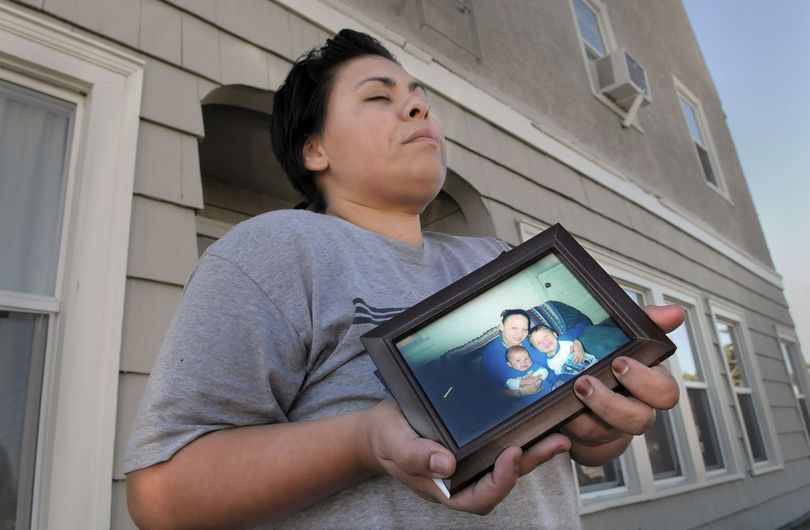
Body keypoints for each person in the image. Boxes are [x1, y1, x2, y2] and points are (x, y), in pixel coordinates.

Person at [125, 29, 683, 529]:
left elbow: (580, 444)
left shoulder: (497, 259)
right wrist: (366, 441)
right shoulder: (278, 247)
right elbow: (161, 496)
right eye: (379, 97)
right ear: (314, 148)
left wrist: (604, 425)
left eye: (420, 99)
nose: (418, 110)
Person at [529, 322, 597, 384]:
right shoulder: (549, 364)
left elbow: (581, 326)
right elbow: (560, 376)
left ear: (555, 334)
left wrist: (578, 342)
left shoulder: (565, 338)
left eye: (546, 337)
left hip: (593, 365)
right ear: (538, 350)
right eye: (539, 343)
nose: (545, 342)